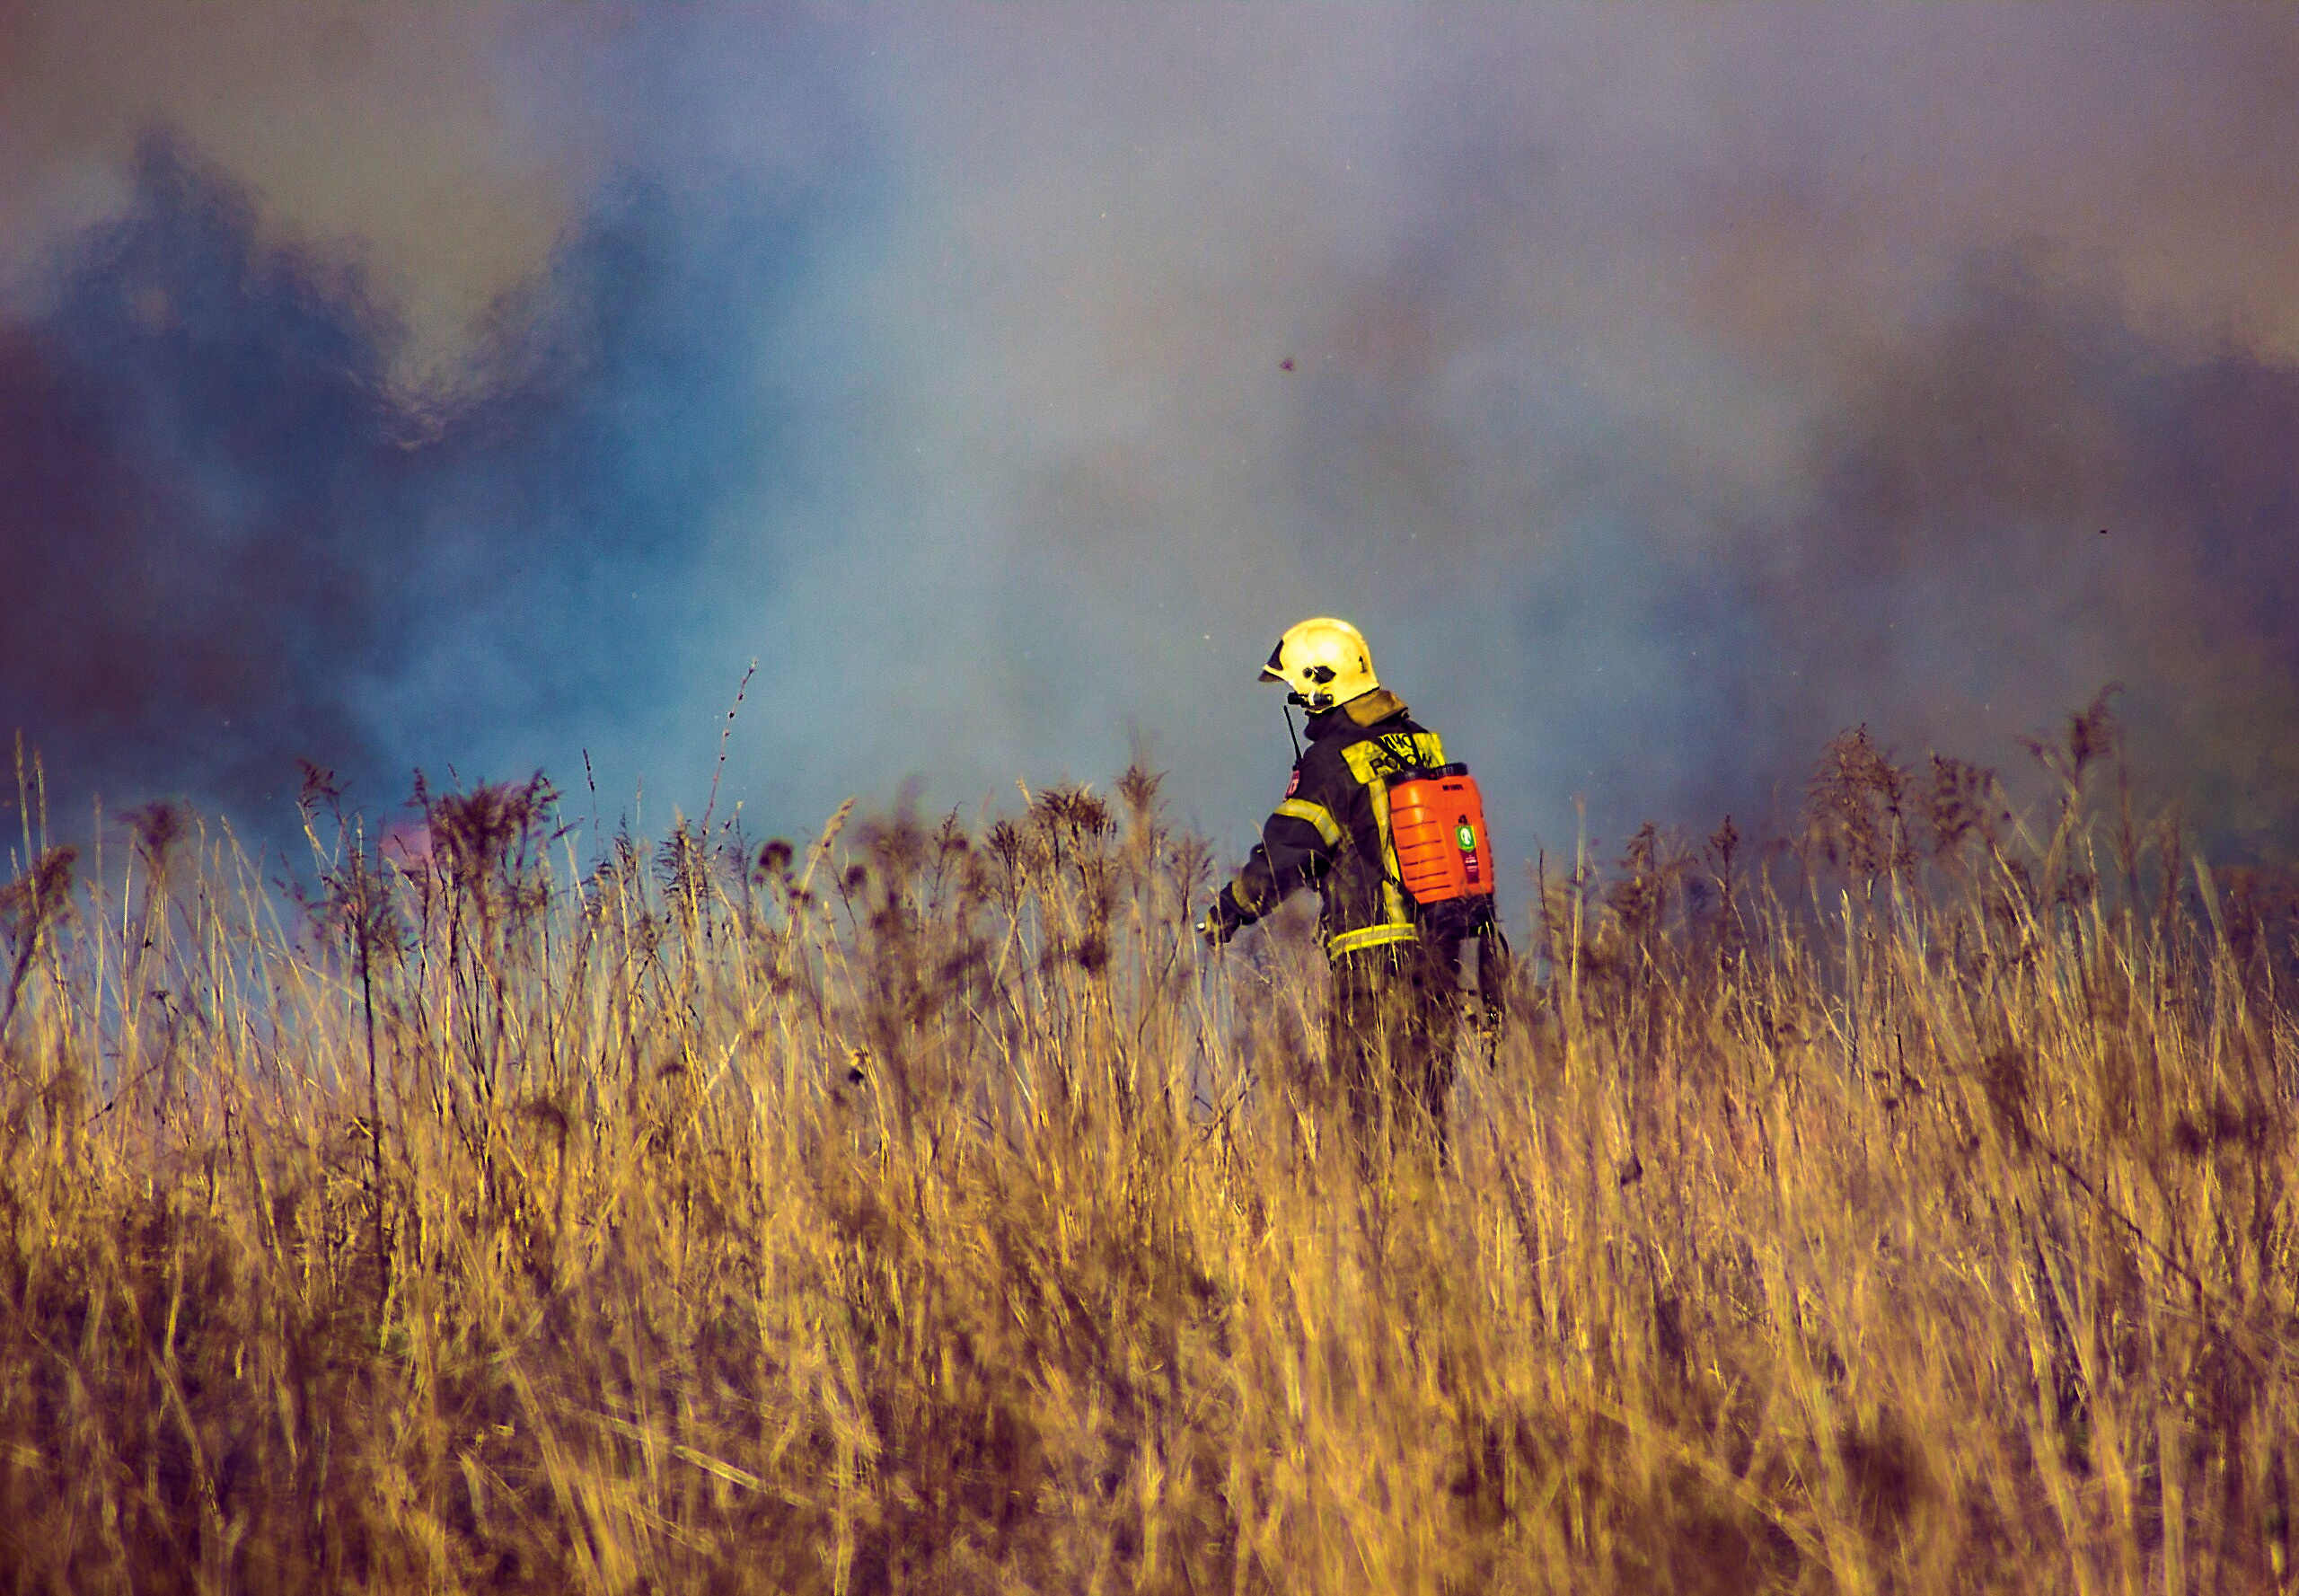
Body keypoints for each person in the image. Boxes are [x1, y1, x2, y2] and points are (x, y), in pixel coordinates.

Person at [1200, 616, 1498, 1157]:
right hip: (1442, 958)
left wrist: (1230, 908)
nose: (1299, 703)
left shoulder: (1333, 760)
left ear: (1321, 684)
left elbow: (1291, 848)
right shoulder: (1422, 746)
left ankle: (1384, 1236)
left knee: (1370, 1128)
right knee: (1424, 1126)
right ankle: (1426, 1233)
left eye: (1298, 691)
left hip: (1373, 969)